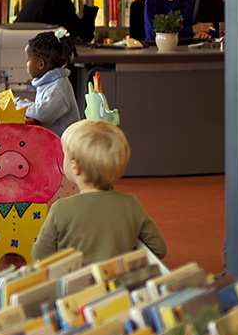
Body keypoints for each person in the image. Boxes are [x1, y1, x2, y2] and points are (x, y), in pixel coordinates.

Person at [32, 119, 166, 265]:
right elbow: (158, 249)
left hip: (75, 279)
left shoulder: (60, 209)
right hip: (119, 278)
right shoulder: (131, 204)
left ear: (75, 167)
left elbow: (40, 254)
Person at [18, 30, 81, 136]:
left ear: (41, 64)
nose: (27, 64)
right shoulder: (49, 84)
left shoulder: (59, 87)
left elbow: (43, 113)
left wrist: (19, 106)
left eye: (28, 60)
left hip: (64, 144)